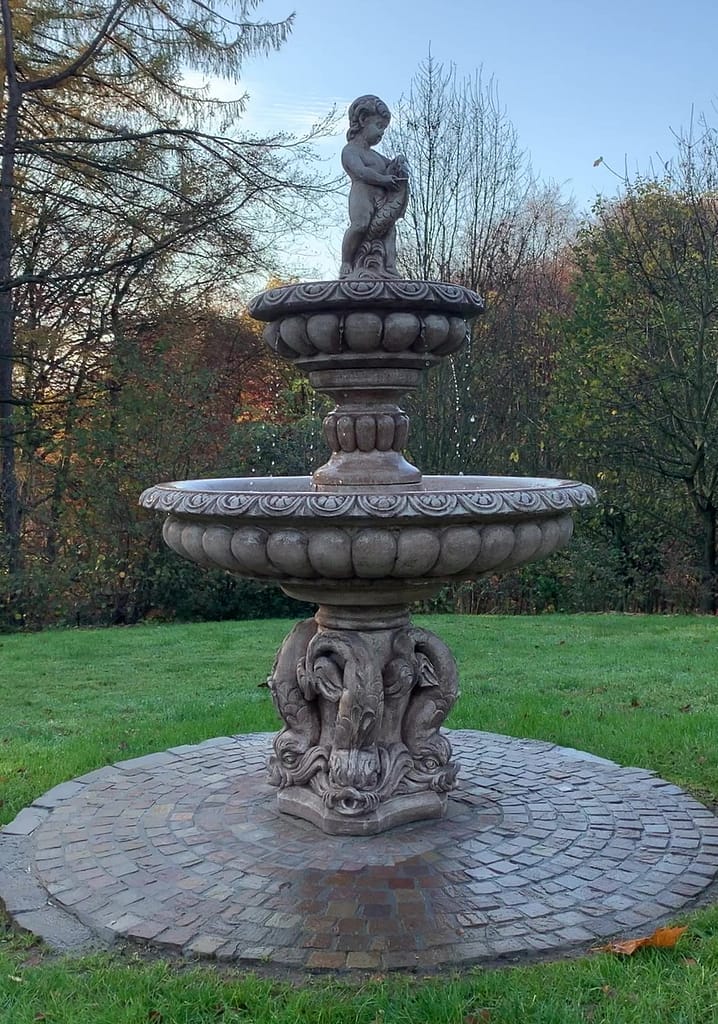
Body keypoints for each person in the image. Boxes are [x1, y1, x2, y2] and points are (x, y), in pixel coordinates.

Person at [339, 95, 409, 278]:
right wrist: (383, 179)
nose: (381, 133)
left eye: (384, 129)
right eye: (379, 126)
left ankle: (389, 265)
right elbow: (361, 172)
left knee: (389, 230)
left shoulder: (376, 156)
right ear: (363, 120)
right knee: (360, 226)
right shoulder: (350, 151)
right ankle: (347, 261)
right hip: (362, 198)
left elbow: (390, 166)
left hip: (381, 201)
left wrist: (399, 163)